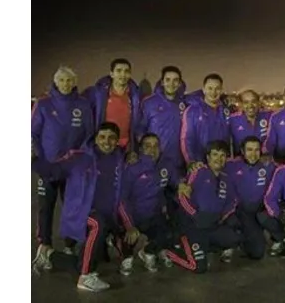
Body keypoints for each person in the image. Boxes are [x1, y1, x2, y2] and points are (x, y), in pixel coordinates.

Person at [31, 122, 127, 292]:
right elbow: (53, 171)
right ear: (95, 139)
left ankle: (49, 254)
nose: (107, 141)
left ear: (117, 141)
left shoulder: (120, 158)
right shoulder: (79, 157)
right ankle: (85, 277)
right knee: (98, 225)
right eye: (102, 137)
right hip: (83, 212)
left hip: (107, 214)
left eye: (112, 138)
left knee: (84, 260)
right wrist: (34, 159)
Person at [32, 66, 94, 253]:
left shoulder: (83, 104)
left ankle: (70, 244)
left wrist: (80, 159)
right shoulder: (43, 104)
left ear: (74, 82)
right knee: (46, 206)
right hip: (48, 165)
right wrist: (38, 159)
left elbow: (89, 135)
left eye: (69, 80)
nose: (66, 84)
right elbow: (32, 133)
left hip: (72, 168)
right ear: (55, 82)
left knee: (72, 206)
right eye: (62, 80)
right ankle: (45, 244)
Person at [166, 140, 240, 273]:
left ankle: (203, 247)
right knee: (198, 267)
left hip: (212, 225)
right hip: (193, 226)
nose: (219, 158)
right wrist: (195, 215)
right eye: (215, 154)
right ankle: (169, 253)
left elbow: (232, 202)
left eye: (222, 155)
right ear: (208, 157)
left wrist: (221, 217)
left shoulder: (226, 179)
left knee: (235, 238)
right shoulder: (198, 172)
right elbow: (182, 197)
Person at [117, 133, 175, 275]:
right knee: (127, 237)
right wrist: (129, 225)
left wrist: (182, 185)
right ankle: (127, 256)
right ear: (141, 149)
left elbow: (177, 180)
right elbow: (121, 199)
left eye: (156, 146)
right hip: (132, 217)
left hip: (153, 216)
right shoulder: (131, 168)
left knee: (172, 231)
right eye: (147, 146)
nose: (152, 149)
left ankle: (148, 251)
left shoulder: (165, 165)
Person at [223, 136, 285, 259]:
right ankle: (230, 243)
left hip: (260, 210)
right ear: (242, 151)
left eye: (257, 150)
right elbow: (211, 167)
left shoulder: (268, 165)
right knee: (232, 221)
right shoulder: (230, 165)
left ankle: (280, 238)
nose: (253, 154)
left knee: (257, 253)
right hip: (241, 211)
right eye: (249, 150)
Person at [84, 58, 143, 151]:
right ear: (111, 74)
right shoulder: (97, 93)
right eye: (119, 71)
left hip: (126, 146)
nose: (123, 74)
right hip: (104, 144)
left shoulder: (136, 96)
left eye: (126, 71)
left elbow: (138, 122)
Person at [139, 66, 187, 172]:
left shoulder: (185, 104)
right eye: (168, 80)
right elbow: (140, 130)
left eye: (175, 80)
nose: (171, 84)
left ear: (179, 83)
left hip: (178, 163)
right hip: (154, 161)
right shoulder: (149, 103)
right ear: (162, 82)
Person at [180, 74, 231, 166]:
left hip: (221, 165)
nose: (213, 92)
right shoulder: (192, 111)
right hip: (200, 164)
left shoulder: (226, 111)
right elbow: (186, 138)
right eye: (210, 88)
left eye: (217, 88)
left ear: (221, 90)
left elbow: (230, 140)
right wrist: (191, 161)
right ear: (203, 89)